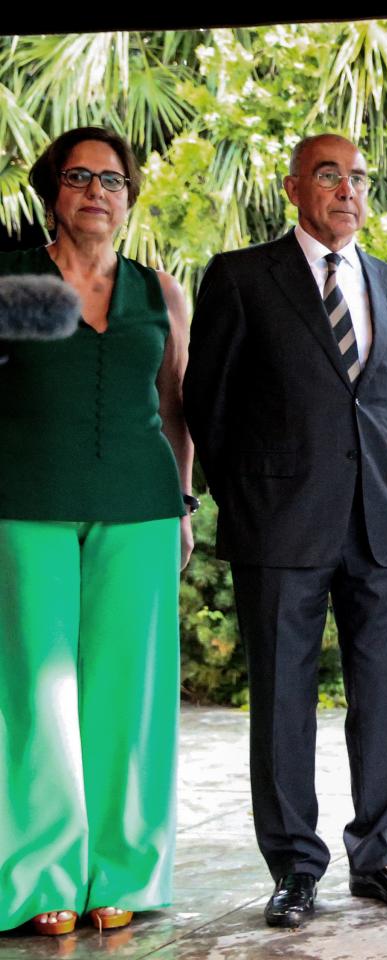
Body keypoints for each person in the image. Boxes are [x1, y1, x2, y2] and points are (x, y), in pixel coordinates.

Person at [184, 133, 387, 929]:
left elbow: (383, 407)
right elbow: (207, 403)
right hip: (280, 528)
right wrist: (250, 499)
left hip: (380, 523)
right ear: (294, 186)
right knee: (283, 702)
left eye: (359, 177)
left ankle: (379, 854)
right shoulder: (240, 277)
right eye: (329, 175)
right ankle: (295, 866)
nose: (347, 189)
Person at [0, 126, 193, 938]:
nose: (96, 192)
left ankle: (125, 872)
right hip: (26, 503)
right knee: (35, 700)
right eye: (79, 178)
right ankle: (41, 873)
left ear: (129, 198)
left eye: (112, 181)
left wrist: (184, 503)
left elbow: (181, 407)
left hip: (141, 508)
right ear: (54, 192)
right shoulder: (16, 284)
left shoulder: (161, 291)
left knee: (132, 695)